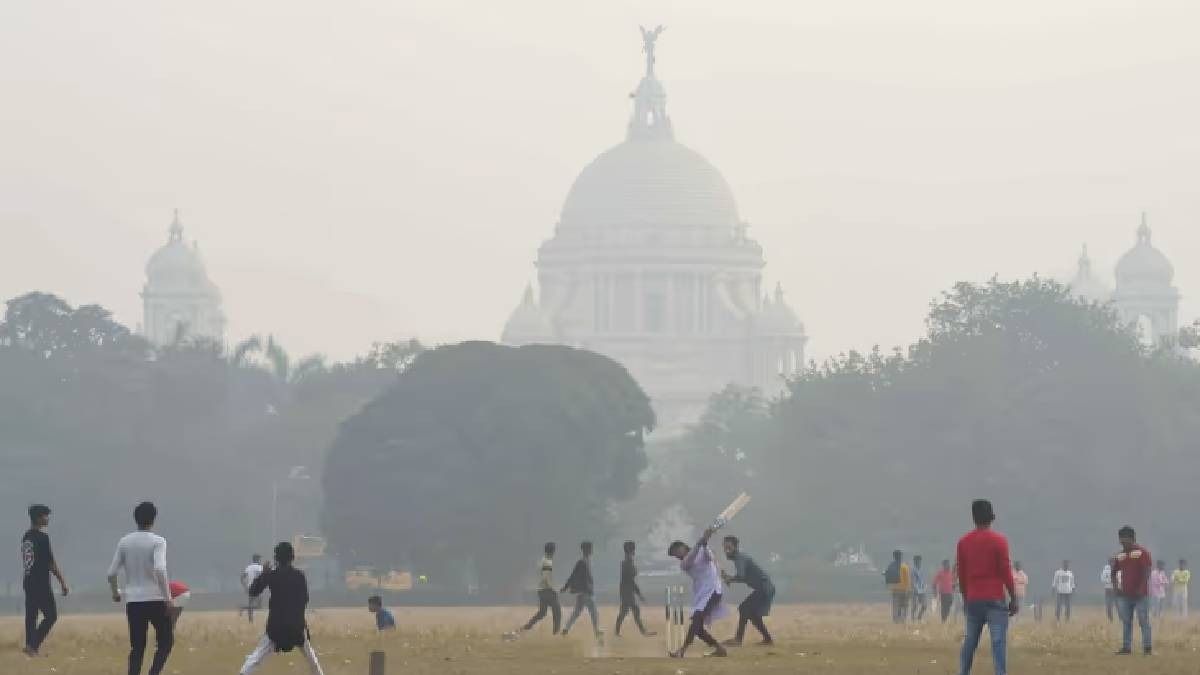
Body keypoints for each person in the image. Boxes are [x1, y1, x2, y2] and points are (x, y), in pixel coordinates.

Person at [107, 501, 174, 675]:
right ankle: (154, 672)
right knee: (166, 642)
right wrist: (168, 598)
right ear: (153, 519)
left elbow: (111, 572)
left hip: (134, 601)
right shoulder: (158, 542)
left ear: (135, 519)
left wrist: (116, 593)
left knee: (137, 647)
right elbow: (160, 568)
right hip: (156, 599)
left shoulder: (125, 542)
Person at [238, 541, 325, 675]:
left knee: (256, 658)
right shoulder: (299, 576)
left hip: (276, 626)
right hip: (296, 626)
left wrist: (264, 573)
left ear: (276, 558)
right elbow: (304, 600)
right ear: (292, 557)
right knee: (312, 661)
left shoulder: (272, 575)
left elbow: (253, 591)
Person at [955, 499, 1017, 675]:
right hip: (995, 598)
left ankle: (963, 671)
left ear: (974, 518)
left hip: (974, 597)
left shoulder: (963, 542)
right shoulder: (999, 541)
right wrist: (1013, 597)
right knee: (998, 641)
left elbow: (962, 574)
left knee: (970, 640)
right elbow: (1005, 571)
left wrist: (966, 598)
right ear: (992, 518)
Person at [667, 527, 728, 658]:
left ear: (683, 547)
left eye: (677, 552)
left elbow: (710, 556)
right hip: (702, 595)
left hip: (713, 591)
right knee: (698, 628)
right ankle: (719, 648)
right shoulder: (684, 564)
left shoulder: (702, 551)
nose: (677, 556)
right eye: (675, 555)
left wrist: (705, 542)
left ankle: (682, 650)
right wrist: (701, 541)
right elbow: (691, 557)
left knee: (696, 620)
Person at [21, 503, 69, 657]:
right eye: (45, 515)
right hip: (41, 582)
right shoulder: (42, 537)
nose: (47, 518)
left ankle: (30, 647)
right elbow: (50, 563)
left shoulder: (26, 537)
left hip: (28, 580)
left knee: (31, 615)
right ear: (38, 518)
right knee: (51, 615)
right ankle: (33, 645)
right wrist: (62, 581)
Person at [720, 535, 775, 646]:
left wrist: (730, 578)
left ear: (735, 547)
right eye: (725, 548)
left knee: (744, 608)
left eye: (729, 548)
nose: (727, 551)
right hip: (763, 587)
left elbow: (741, 576)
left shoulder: (740, 558)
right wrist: (730, 578)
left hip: (764, 587)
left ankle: (738, 640)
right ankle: (767, 639)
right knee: (752, 614)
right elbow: (743, 577)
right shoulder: (739, 558)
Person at [1111, 525, 1152, 655]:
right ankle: (1126, 647)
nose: (1123, 542)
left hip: (1140, 595)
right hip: (1125, 595)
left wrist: (1141, 587)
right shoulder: (1120, 555)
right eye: (1121, 539)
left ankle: (1147, 648)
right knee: (1126, 621)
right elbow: (1113, 572)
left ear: (1133, 538)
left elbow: (1147, 571)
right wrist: (1116, 587)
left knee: (1143, 620)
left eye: (1125, 539)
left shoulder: (1142, 552)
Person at [560, 541, 601, 640]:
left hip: (583, 592)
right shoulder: (582, 562)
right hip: (586, 592)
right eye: (590, 548)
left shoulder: (586, 561)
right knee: (594, 612)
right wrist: (565, 587)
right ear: (587, 550)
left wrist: (565, 587)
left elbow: (574, 576)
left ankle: (566, 629)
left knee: (577, 612)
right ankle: (597, 631)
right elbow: (573, 576)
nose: (592, 550)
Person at [614, 540, 655, 637]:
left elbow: (630, 579)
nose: (634, 551)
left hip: (626, 590)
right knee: (628, 611)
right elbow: (630, 580)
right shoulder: (627, 563)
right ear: (631, 550)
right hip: (627, 591)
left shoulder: (627, 562)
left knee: (628, 611)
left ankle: (618, 631)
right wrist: (639, 593)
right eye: (633, 549)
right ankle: (642, 631)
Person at [521, 542, 561, 634]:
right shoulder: (547, 562)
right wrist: (553, 588)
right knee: (557, 611)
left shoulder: (542, 560)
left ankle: (528, 626)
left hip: (541, 590)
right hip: (547, 590)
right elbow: (546, 576)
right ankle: (556, 633)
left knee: (542, 613)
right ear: (553, 551)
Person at [883, 550, 911, 623]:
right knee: (904, 606)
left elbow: (887, 577)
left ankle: (896, 620)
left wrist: (889, 587)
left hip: (895, 589)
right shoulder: (904, 566)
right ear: (901, 556)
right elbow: (907, 579)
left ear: (894, 557)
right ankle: (902, 619)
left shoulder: (890, 566)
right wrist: (908, 589)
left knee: (896, 605)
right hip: (904, 589)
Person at [241, 554, 264, 619]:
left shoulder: (248, 567)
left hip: (250, 587)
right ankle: (244, 608)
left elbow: (242, 578)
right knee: (259, 606)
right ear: (258, 559)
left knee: (251, 603)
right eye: (260, 559)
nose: (260, 560)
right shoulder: (260, 567)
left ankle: (250, 620)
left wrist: (245, 586)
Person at [910, 555, 928, 622]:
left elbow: (923, 580)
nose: (919, 562)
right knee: (914, 605)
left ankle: (919, 616)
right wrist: (916, 588)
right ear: (915, 562)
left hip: (922, 590)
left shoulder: (922, 570)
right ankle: (912, 619)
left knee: (925, 605)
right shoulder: (913, 570)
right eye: (917, 561)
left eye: (920, 561)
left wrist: (924, 586)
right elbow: (913, 581)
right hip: (915, 590)